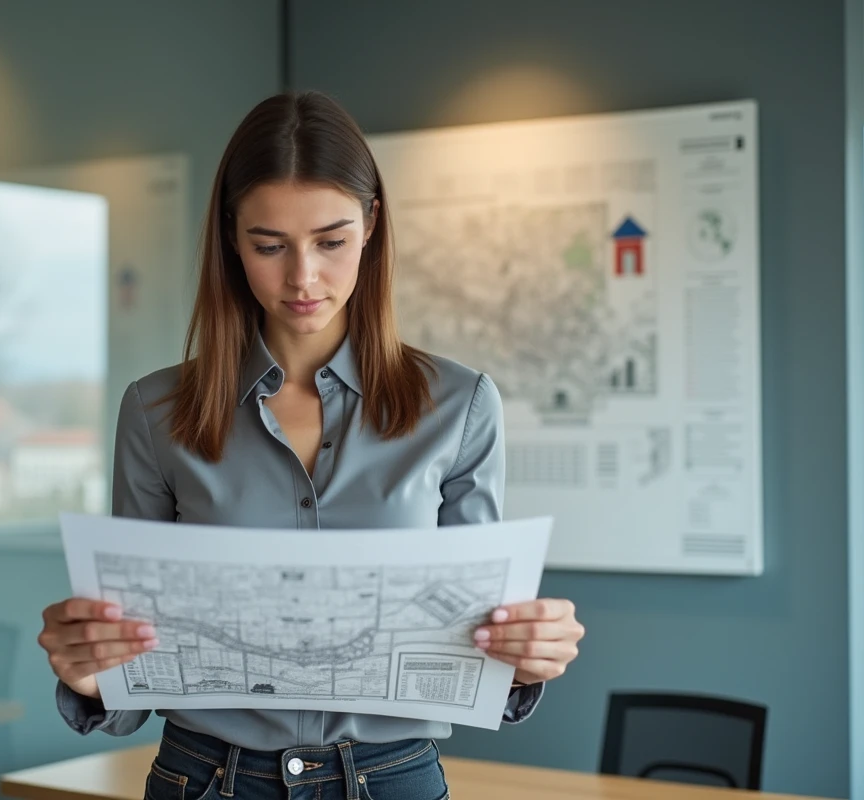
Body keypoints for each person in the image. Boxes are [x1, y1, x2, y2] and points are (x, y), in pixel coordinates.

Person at [37, 90, 584, 800]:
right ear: (232, 238)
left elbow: (474, 642)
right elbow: (132, 680)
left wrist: (524, 657)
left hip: (391, 779)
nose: (302, 278)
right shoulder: (153, 411)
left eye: (331, 241)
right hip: (206, 779)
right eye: (270, 245)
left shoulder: (462, 406)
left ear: (372, 226)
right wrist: (90, 673)